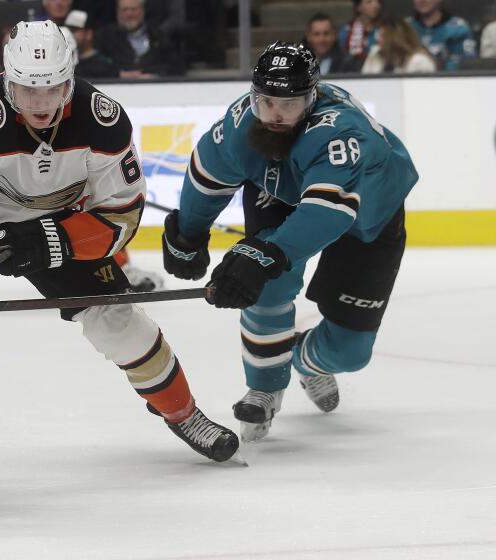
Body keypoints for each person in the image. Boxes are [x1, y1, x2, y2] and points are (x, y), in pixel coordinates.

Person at [0, 21, 239, 478]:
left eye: (52, 89)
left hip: (59, 220)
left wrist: (53, 240)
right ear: (7, 81)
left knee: (118, 321)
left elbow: (123, 216)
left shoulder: (103, 121)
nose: (41, 104)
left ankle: (184, 413)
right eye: (26, 90)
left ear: (70, 82)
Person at [162, 42, 418, 442]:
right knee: (266, 285)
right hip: (283, 193)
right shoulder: (242, 123)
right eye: (266, 102)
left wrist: (266, 254)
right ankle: (264, 385)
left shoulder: (339, 130)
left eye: (290, 103)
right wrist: (187, 234)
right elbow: (206, 174)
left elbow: (328, 212)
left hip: (368, 210)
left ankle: (306, 360)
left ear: (311, 99)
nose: (275, 115)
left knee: (350, 353)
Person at [94, 0, 182, 78]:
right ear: (117, 12)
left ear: (142, 11)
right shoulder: (104, 37)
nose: (129, 14)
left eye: (133, 9)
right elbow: (93, 66)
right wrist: (119, 75)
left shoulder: (159, 37)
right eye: (124, 10)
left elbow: (175, 68)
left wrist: (155, 77)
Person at [407, 0, 476, 71]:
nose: (422, 1)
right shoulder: (405, 28)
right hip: (409, 80)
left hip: (449, 79)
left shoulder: (459, 28)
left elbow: (467, 63)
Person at [361, 17, 436, 74]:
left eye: (382, 35)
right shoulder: (375, 54)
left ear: (395, 39)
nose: (378, 39)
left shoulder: (420, 61)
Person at [64, 9, 118, 78]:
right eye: (67, 30)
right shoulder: (63, 62)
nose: (69, 34)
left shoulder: (104, 66)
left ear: (89, 34)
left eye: (74, 30)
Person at [338, 0, 382, 64]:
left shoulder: (384, 30)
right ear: (358, 7)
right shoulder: (346, 32)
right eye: (369, 1)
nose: (376, 5)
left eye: (378, 2)